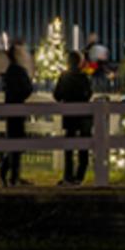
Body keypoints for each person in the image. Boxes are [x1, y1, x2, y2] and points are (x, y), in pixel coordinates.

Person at [52, 50, 94, 186]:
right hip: (83, 117)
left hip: (69, 116)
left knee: (69, 148)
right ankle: (79, 176)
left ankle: (68, 176)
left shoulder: (64, 77)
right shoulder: (84, 78)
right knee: (83, 148)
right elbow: (88, 94)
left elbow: (57, 95)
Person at [0, 40, 34, 187]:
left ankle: (9, 173)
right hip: (18, 109)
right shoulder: (19, 71)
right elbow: (27, 89)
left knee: (14, 142)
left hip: (10, 109)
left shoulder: (9, 71)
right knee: (17, 144)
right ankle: (12, 175)